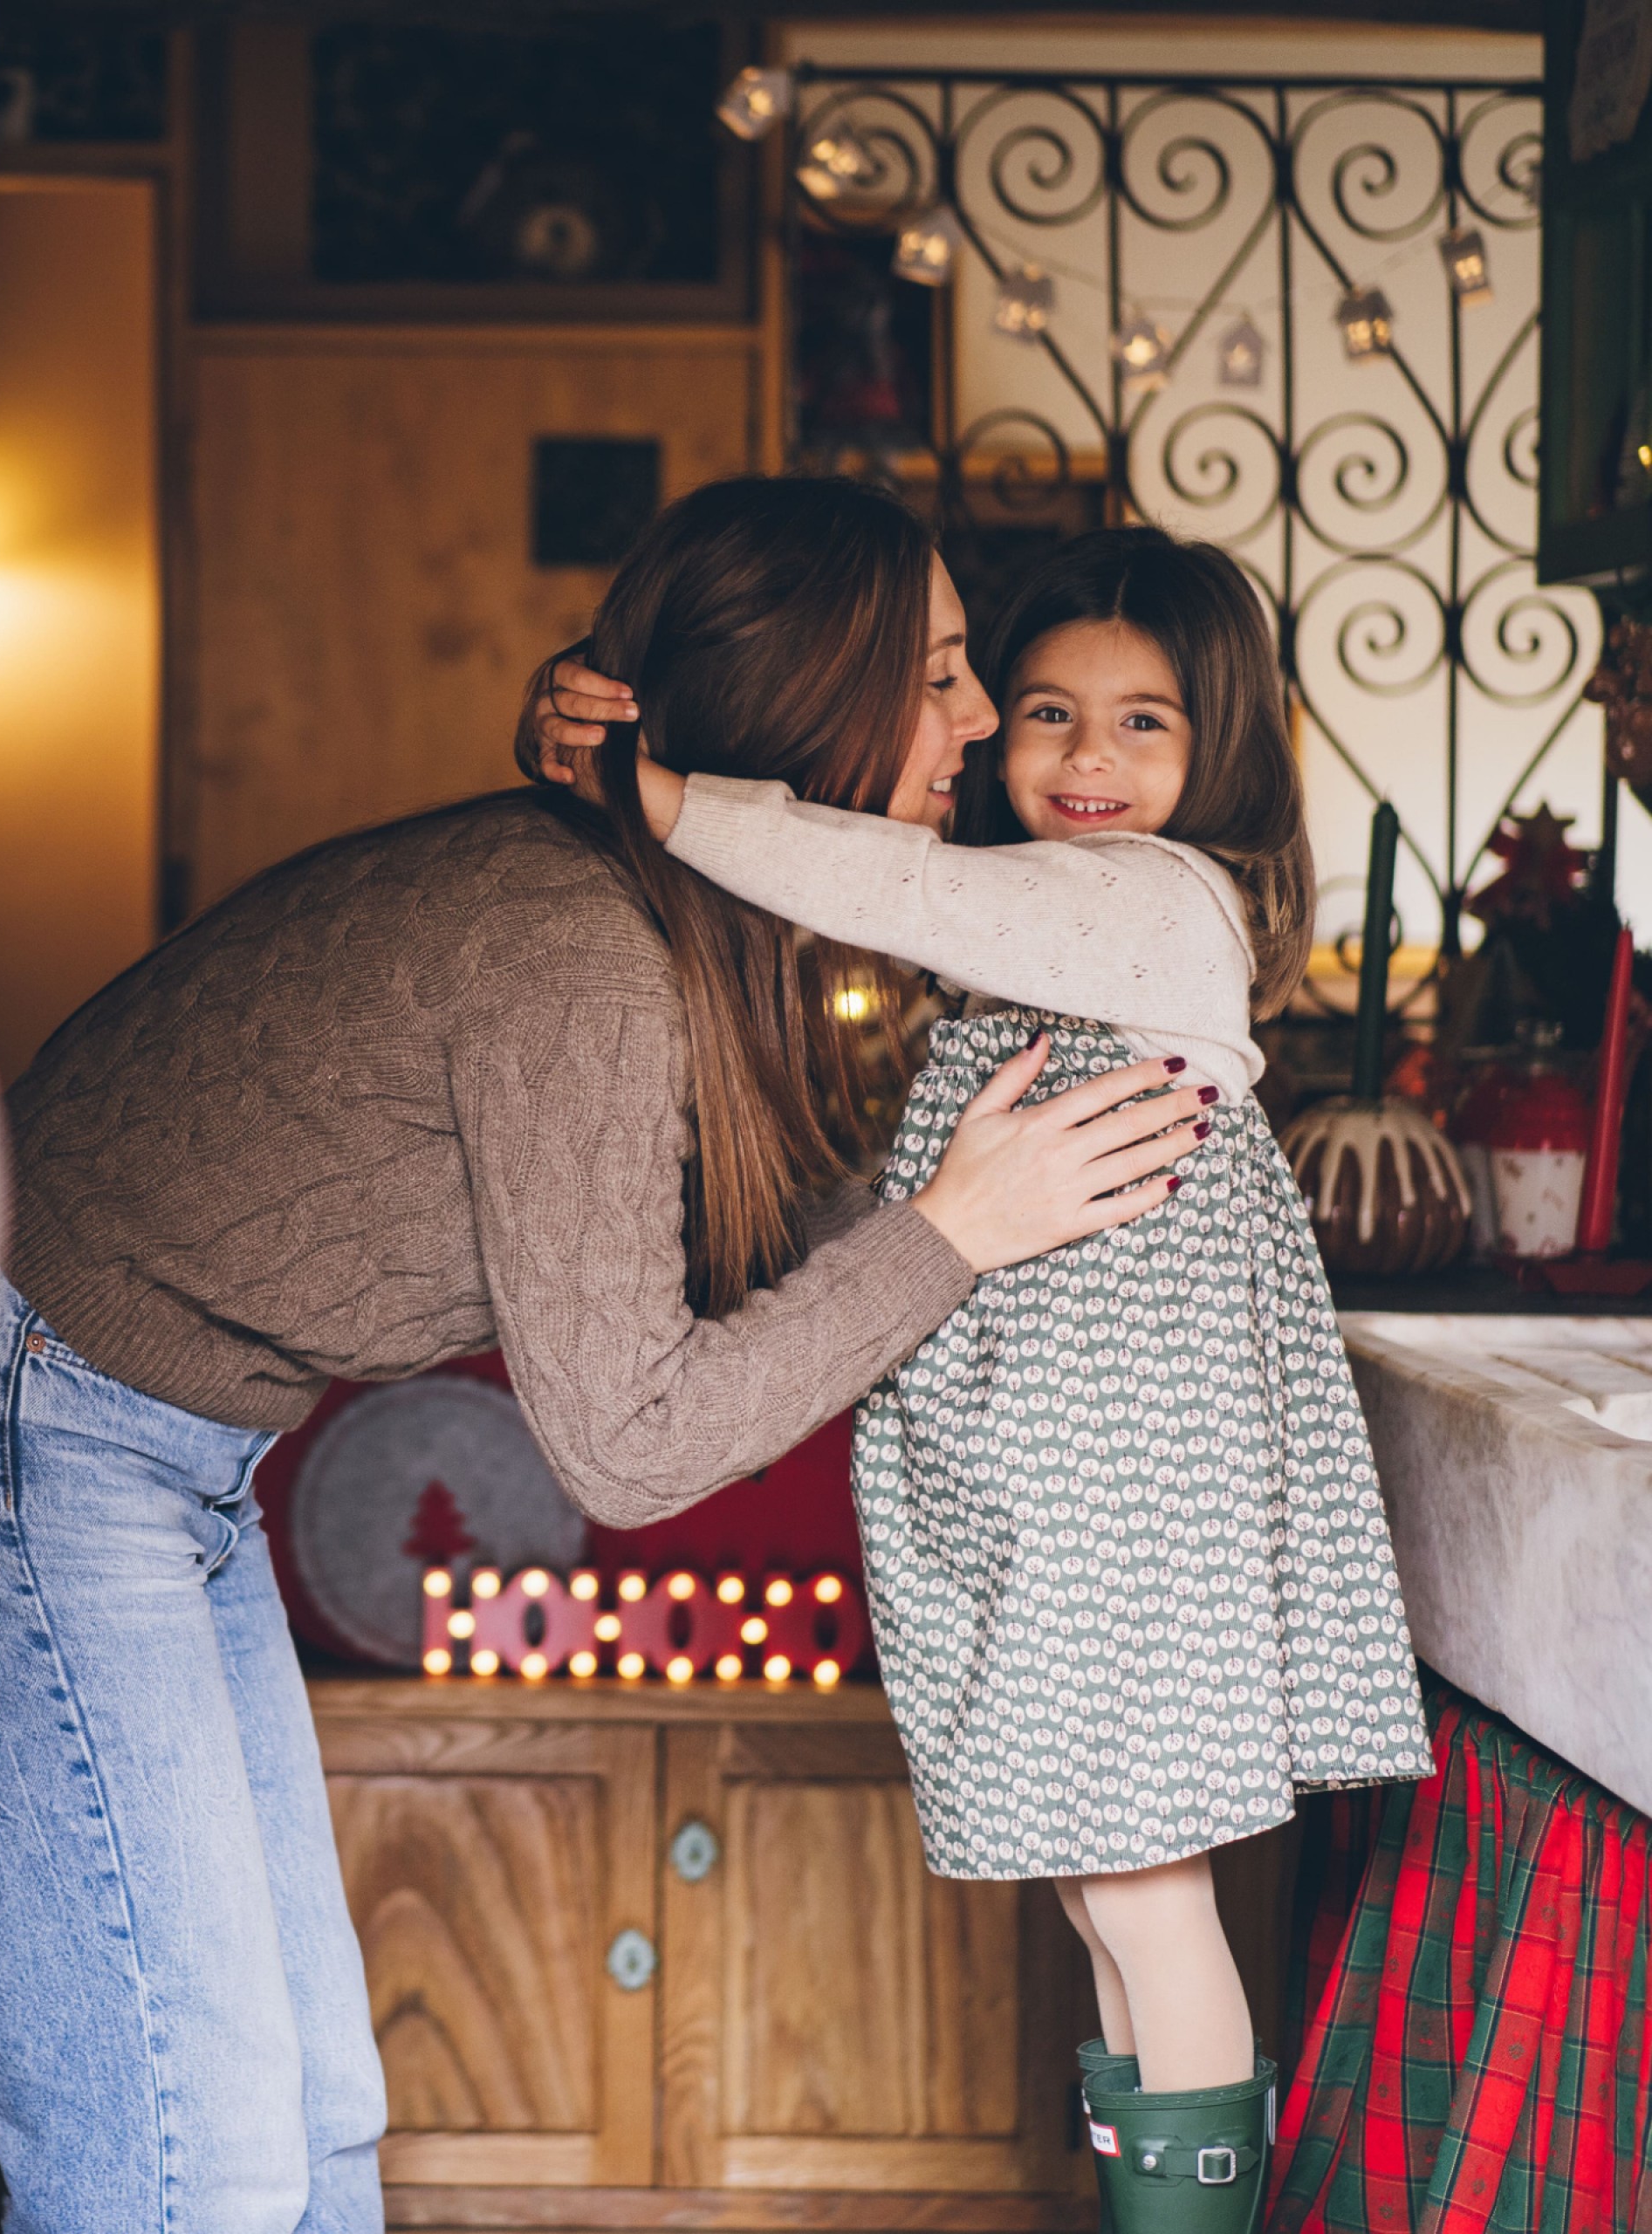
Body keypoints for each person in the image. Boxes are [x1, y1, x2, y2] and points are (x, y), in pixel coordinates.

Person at [0, 477, 1208, 2234]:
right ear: (813, 699)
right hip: (42, 1423)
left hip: (171, 1447)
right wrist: (956, 1226)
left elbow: (742, 1266)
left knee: (320, 2124)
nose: (974, 720)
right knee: (193, 2163)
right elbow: (630, 1447)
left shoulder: (679, 921)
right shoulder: (578, 953)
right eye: (937, 674)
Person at [532, 521, 1434, 2234]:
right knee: (1117, 1896)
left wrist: (656, 790)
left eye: (1143, 721)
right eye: (1044, 709)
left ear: (1220, 749)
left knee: (1151, 1896)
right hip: (1072, 1468)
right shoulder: (1039, 936)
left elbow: (897, 881)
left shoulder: (1152, 905)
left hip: (1124, 1485)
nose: (1086, 757)